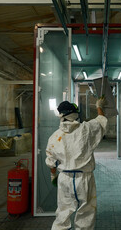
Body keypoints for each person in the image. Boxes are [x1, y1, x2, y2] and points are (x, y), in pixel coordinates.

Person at [45, 98, 107, 230]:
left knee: (63, 212)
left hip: (64, 179)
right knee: (86, 212)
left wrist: (53, 176)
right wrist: (99, 106)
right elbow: (101, 121)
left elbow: (51, 162)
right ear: (76, 114)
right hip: (84, 178)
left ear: (61, 116)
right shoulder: (86, 129)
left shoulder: (54, 137)